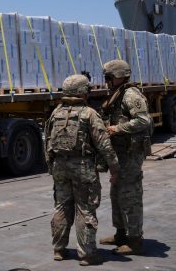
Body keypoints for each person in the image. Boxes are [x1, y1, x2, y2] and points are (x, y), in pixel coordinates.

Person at [45, 74, 119, 266]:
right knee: (85, 208)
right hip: (83, 168)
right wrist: (114, 168)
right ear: (83, 92)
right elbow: (104, 145)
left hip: (59, 167)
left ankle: (59, 249)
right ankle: (87, 254)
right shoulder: (89, 113)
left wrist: (51, 167)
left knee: (61, 206)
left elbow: (47, 141)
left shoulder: (56, 113)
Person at [98, 59, 152, 256]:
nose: (106, 81)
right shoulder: (117, 93)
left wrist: (118, 128)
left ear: (119, 76)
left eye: (109, 77)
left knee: (130, 196)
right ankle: (121, 234)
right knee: (116, 194)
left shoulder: (130, 95)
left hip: (130, 154)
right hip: (120, 154)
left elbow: (143, 120)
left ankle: (135, 239)